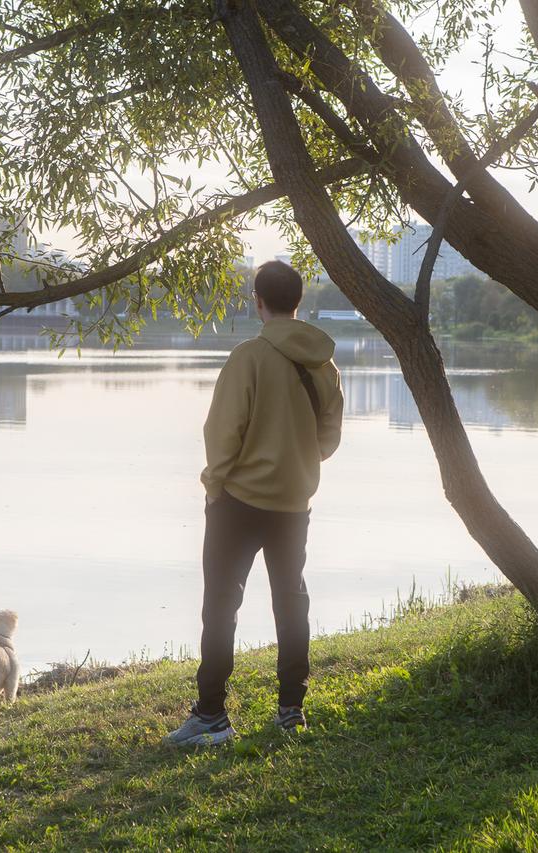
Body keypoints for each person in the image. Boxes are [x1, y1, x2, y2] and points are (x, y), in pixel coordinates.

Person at [165, 260, 344, 747]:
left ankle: (211, 716)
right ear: (298, 302)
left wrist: (214, 484)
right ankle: (291, 709)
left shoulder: (248, 356)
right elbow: (328, 439)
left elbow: (223, 432)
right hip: (294, 503)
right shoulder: (324, 365)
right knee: (292, 602)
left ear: (257, 301)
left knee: (221, 607)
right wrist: (295, 465)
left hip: (239, 502)